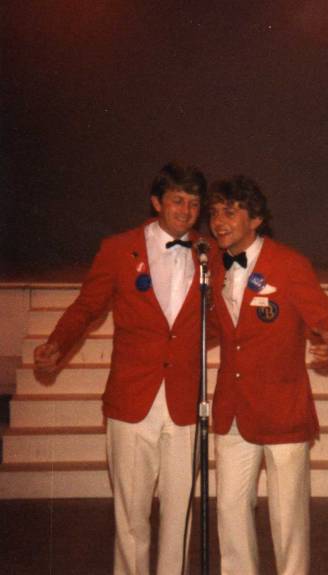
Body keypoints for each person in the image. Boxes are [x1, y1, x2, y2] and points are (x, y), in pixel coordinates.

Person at [34, 161, 209, 575]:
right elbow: (87, 306)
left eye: (194, 203)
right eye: (177, 200)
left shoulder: (210, 254)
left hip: (185, 401)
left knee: (179, 515)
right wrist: (57, 342)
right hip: (132, 400)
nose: (185, 211)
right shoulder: (118, 248)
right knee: (131, 517)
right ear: (156, 203)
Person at [207, 175, 328, 575]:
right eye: (215, 212)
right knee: (230, 512)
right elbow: (221, 331)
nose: (219, 220)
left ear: (256, 220)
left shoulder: (289, 264)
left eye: (230, 211)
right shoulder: (214, 268)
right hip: (232, 410)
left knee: (288, 521)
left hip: (283, 410)